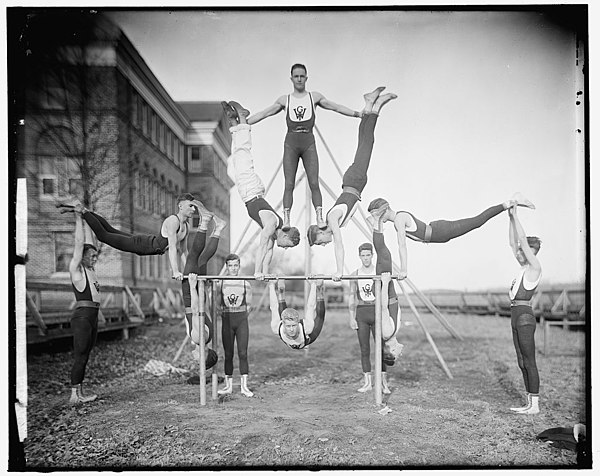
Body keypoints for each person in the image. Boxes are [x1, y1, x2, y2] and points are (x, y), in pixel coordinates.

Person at [246, 63, 365, 231]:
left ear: (306, 78)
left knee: (314, 182)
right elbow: (264, 113)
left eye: (302, 76)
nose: (299, 79)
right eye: (296, 76)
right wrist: (244, 123)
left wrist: (357, 114)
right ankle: (287, 219)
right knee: (289, 184)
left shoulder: (314, 97)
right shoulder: (284, 100)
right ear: (291, 78)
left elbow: (336, 107)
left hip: (308, 142)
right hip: (291, 144)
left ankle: (319, 217)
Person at [306, 86, 397, 280]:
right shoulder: (333, 220)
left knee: (367, 143)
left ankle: (374, 105)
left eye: (319, 241)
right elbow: (354, 207)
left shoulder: (332, 220)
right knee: (364, 143)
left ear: (320, 233)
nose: (323, 244)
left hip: (354, 181)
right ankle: (371, 105)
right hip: (355, 182)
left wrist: (339, 271)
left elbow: (339, 244)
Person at [366, 192, 536, 279]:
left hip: (441, 231)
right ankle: (509, 203)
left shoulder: (399, 220)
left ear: (385, 210)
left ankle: (510, 202)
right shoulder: (397, 219)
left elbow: (401, 246)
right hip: (438, 233)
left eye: (377, 215)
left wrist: (404, 269)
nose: (377, 219)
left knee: (477, 221)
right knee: (476, 222)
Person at [222, 100, 301, 279]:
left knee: (237, 158)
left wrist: (265, 272)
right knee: (243, 154)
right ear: (285, 235)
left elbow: (268, 253)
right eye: (287, 245)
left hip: (252, 192)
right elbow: (261, 246)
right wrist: (257, 271)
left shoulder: (275, 232)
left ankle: (234, 123)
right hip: (251, 191)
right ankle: (242, 117)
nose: (285, 248)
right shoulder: (272, 224)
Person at [57, 193, 210, 279]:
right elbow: (171, 250)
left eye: (194, 207)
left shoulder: (187, 227)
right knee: (104, 236)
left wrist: (188, 271)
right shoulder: (173, 221)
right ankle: (82, 211)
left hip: (144, 243)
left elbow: (183, 252)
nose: (193, 210)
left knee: (110, 229)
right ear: (180, 206)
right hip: (142, 245)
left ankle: (79, 209)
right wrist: (175, 271)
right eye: (191, 206)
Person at [507, 204, 542, 415]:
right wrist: (510, 217)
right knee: (521, 361)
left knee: (529, 360)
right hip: (515, 315)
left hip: (525, 318)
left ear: (531, 252)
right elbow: (513, 242)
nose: (519, 252)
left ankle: (535, 405)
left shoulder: (535, 268)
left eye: (524, 250)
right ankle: (529, 403)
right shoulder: (522, 269)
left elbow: (520, 241)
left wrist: (517, 214)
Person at [183, 209, 227, 370]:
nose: (193, 358)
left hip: (200, 296)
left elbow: (205, 310)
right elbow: (195, 311)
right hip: (192, 295)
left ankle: (219, 228)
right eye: (197, 360)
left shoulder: (207, 338)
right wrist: (193, 287)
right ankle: (204, 222)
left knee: (202, 259)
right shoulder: (198, 338)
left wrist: (203, 291)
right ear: (203, 355)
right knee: (193, 256)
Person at [348, 243, 391, 394]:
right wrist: (351, 317)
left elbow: (387, 294)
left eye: (368, 255)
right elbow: (352, 296)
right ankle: (368, 383)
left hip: (376, 311)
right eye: (363, 255)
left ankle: (383, 383)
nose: (366, 258)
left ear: (372, 255)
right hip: (362, 312)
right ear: (359, 256)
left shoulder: (377, 271)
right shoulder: (355, 274)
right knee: (364, 349)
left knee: (381, 348)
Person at [68, 210, 100, 404]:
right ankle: (74, 396)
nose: (95, 259)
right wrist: (78, 218)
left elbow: (90, 242)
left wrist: (87, 216)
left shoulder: (91, 270)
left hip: (93, 316)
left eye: (96, 257)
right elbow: (80, 243)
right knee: (80, 355)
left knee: (85, 355)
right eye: (92, 256)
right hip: (82, 317)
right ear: (83, 257)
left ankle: (79, 392)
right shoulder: (78, 269)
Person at [216, 254, 254, 397]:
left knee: (243, 353)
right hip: (227, 320)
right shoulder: (221, 283)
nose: (233, 268)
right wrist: (227, 313)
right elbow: (218, 304)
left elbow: (249, 305)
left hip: (241, 320)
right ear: (227, 267)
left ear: (239, 266)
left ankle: (244, 387)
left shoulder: (245, 282)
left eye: (235, 265)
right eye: (230, 266)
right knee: (228, 354)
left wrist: (240, 315)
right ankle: (228, 386)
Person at [269, 279, 326, 350]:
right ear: (283, 324)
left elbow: (311, 307)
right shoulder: (276, 327)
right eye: (288, 326)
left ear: (298, 322)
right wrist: (271, 285)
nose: (291, 329)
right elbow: (273, 307)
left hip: (307, 337)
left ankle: (319, 291)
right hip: (291, 333)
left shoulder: (307, 328)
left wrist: (313, 285)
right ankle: (281, 293)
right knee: (285, 315)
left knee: (320, 318)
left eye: (294, 325)